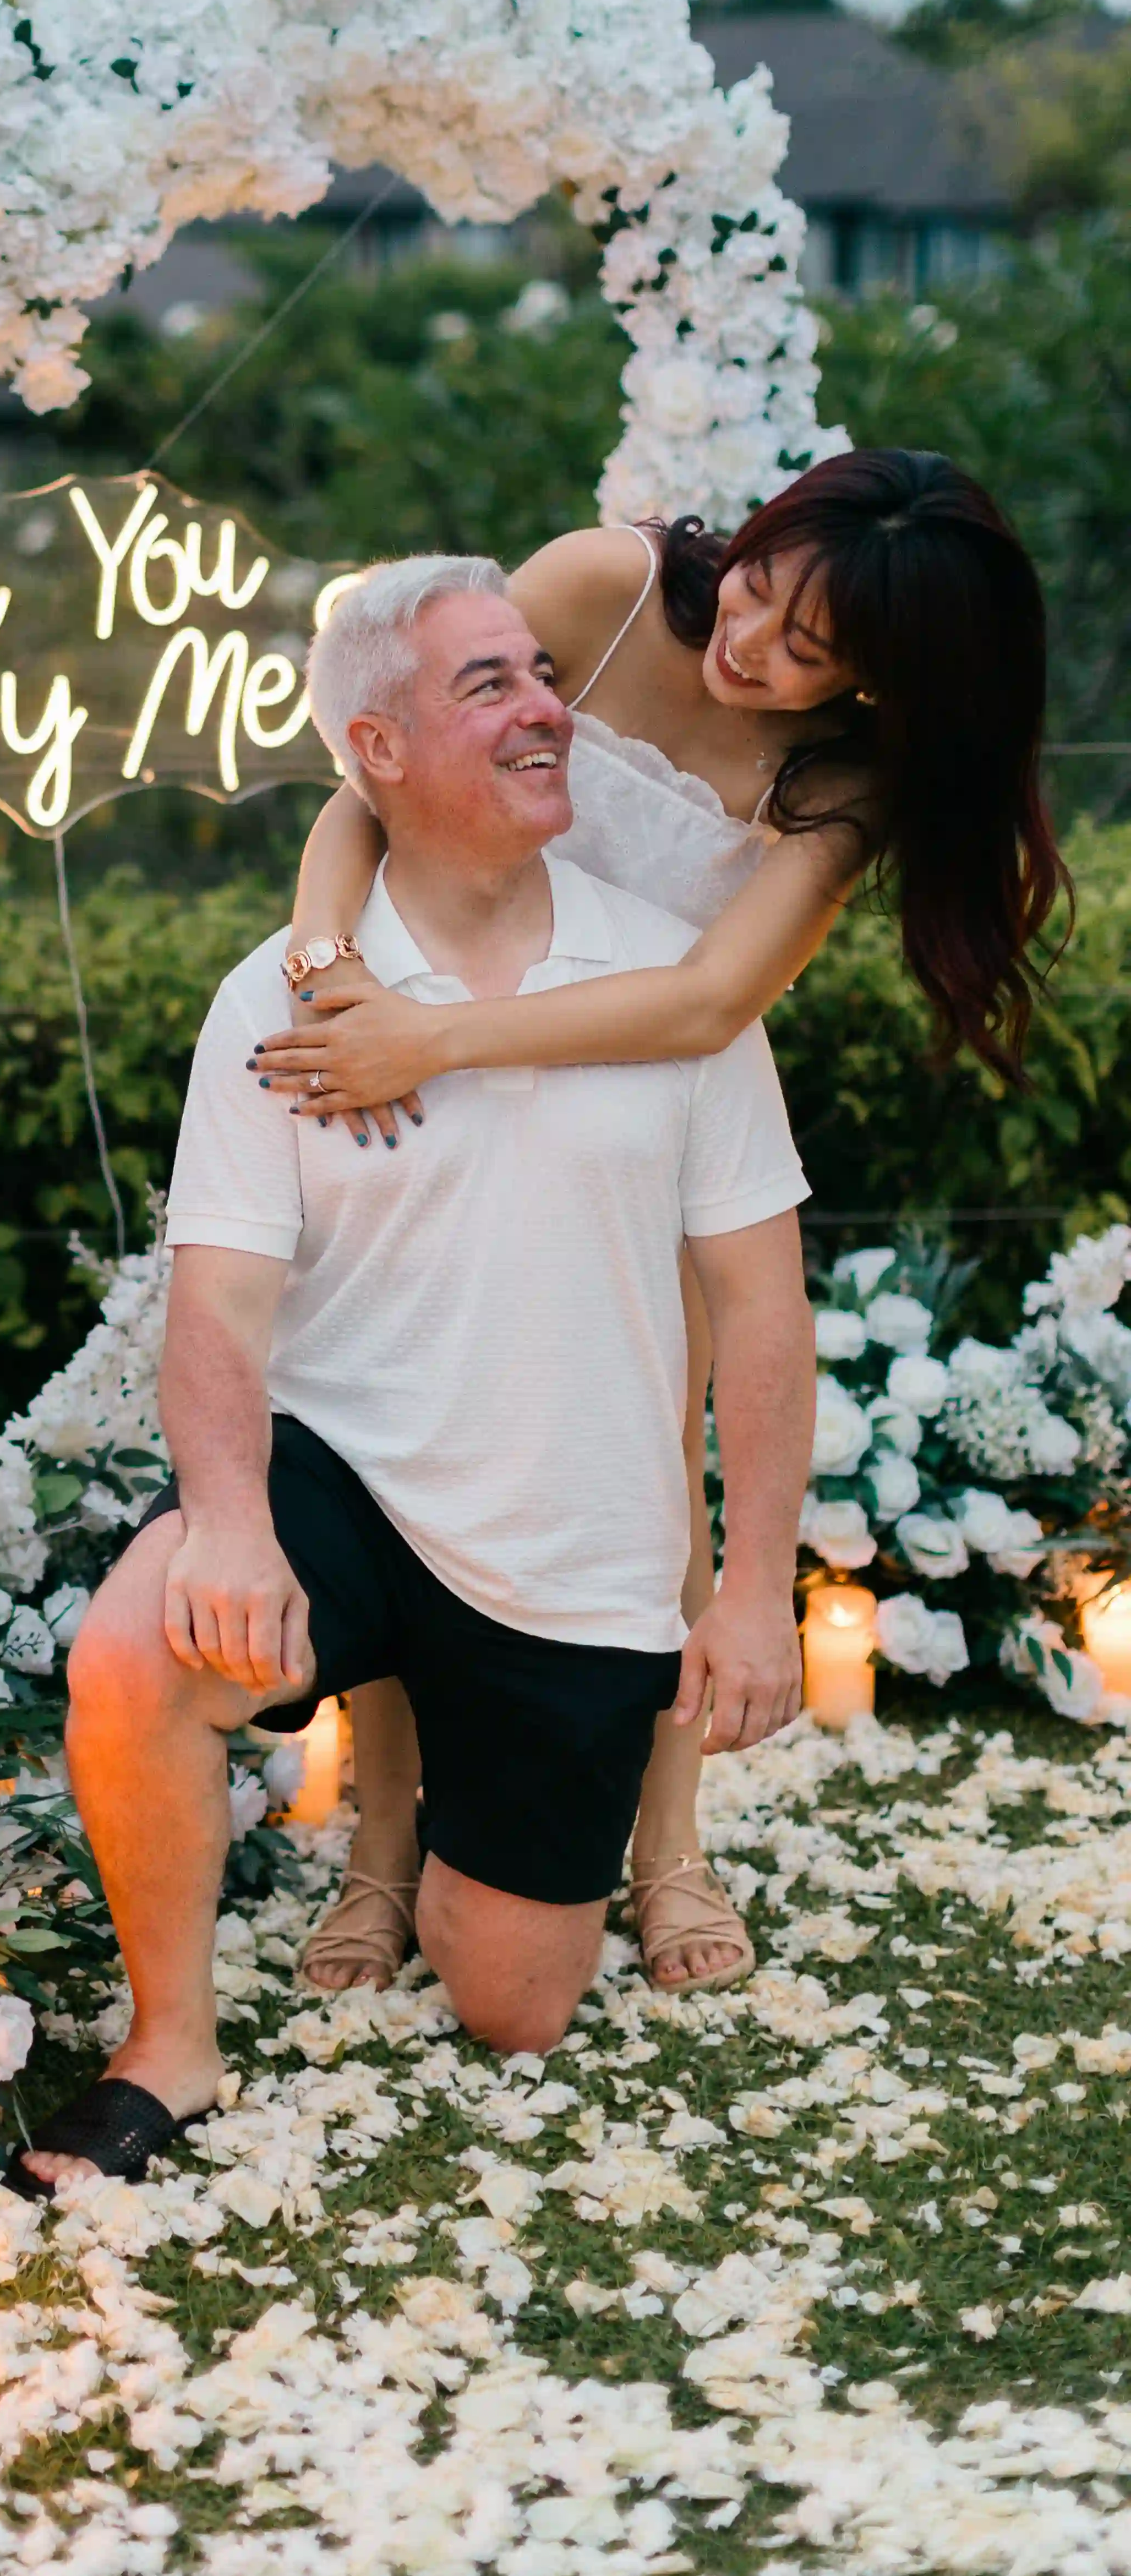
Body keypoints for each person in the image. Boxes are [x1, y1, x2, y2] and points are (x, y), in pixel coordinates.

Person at [12, 559, 815, 2196]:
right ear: (375, 750)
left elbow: (761, 1308)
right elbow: (221, 1306)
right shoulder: (283, 998)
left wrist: (750, 1591)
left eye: (540, 674)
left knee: (515, 2010)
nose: (546, 710)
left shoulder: (677, 982)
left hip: (580, 1561)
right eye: (490, 687)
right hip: (355, 1496)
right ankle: (169, 2045)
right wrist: (229, 1521)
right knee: (130, 1648)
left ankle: (459, 1840)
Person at [248, 447, 1068, 2001]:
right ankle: (381, 1848)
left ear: (886, 689)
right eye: (759, 589)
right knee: (396, 1454)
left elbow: (706, 1001)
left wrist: (437, 1039)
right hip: (417, 1081)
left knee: (655, 1481)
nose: (751, 648)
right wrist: (324, 964)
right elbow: (379, 787)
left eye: (813, 654)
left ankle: (667, 1847)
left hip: (629, 1118)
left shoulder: (847, 777)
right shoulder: (601, 587)